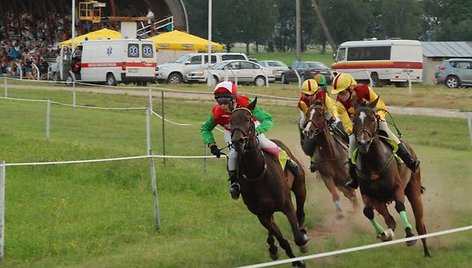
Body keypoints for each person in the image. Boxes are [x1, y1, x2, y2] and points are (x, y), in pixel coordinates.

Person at [200, 81, 299, 200]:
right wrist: (212, 145)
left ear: (233, 99)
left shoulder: (245, 104)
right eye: (219, 101)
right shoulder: (217, 113)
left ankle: (287, 161)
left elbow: (267, 119)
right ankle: (234, 183)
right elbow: (205, 128)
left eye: (225, 101)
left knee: (264, 143)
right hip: (231, 131)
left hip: (250, 127)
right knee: (233, 154)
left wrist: (257, 132)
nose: (222, 105)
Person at [331, 73, 420, 189]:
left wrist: (378, 117)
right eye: (338, 93)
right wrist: (357, 131)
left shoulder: (365, 90)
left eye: (342, 93)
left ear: (351, 88)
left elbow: (381, 106)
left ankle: (409, 161)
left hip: (374, 120)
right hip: (357, 126)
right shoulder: (339, 104)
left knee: (387, 132)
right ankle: (353, 178)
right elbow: (347, 124)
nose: (340, 96)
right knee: (352, 143)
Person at [297, 77, 346, 172]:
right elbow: (308, 116)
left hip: (326, 112)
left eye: (312, 94)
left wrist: (334, 118)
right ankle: (313, 158)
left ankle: (347, 145)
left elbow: (332, 108)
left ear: (317, 91)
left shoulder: (323, 95)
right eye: (307, 95)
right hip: (311, 115)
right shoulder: (302, 102)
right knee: (302, 124)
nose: (310, 97)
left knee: (338, 126)